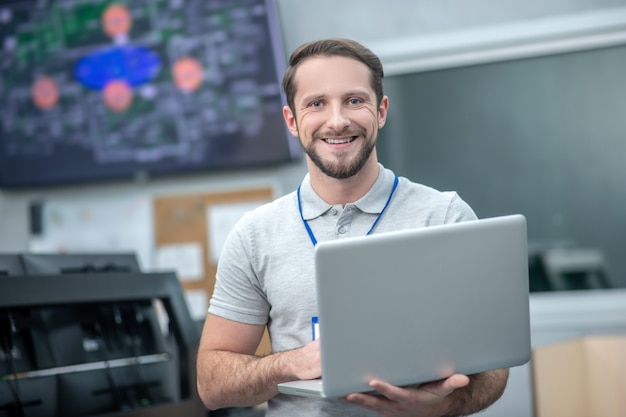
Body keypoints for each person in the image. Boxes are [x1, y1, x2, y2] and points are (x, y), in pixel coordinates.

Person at [196, 38, 509, 417]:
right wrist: (290, 363)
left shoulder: (444, 215)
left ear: (381, 111)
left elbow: (494, 370)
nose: (337, 120)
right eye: (316, 104)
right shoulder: (254, 234)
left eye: (354, 100)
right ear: (292, 121)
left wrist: (439, 407)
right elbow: (211, 384)